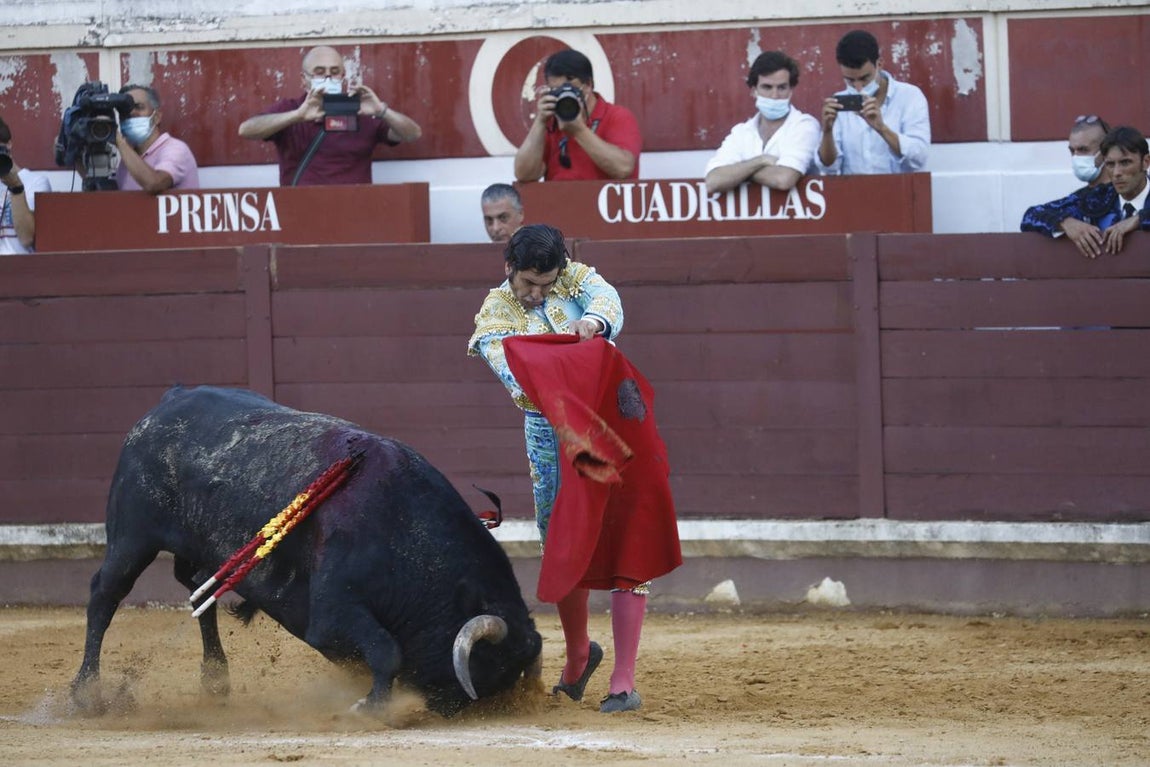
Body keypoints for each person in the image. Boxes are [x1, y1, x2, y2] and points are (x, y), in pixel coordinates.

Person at [468, 224, 680, 714]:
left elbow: (607, 299)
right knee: (563, 539)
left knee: (630, 531)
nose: (538, 293)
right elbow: (522, 375)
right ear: (509, 270)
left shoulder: (577, 280)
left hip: (612, 419)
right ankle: (579, 656)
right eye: (528, 285)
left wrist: (597, 326)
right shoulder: (495, 314)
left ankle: (624, 679)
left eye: (547, 283)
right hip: (551, 433)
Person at [237, 45, 422, 186]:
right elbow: (247, 130)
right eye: (319, 72)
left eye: (334, 72)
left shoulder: (360, 111)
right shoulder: (291, 107)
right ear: (304, 80)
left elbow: (411, 134)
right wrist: (296, 116)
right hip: (300, 213)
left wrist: (381, 110)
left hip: (354, 214)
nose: (327, 78)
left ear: (342, 77)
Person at [514, 49, 642, 182]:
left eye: (570, 89)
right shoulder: (551, 122)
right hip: (560, 200)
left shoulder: (617, 116)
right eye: (556, 91)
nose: (564, 95)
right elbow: (523, 174)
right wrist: (540, 122)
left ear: (588, 85)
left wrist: (579, 131)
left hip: (605, 201)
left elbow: (623, 168)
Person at [1021, 125, 1150, 257]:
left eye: (1125, 163)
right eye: (1110, 164)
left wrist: (1139, 219)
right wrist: (1066, 222)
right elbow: (1031, 216)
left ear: (1146, 162)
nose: (1117, 173)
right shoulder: (1099, 198)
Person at [816, 29, 931, 175]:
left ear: (880, 64)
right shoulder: (838, 102)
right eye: (850, 80)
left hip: (901, 192)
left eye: (864, 78)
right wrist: (827, 132)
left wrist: (881, 128)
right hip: (853, 193)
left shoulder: (909, 96)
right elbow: (828, 167)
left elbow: (918, 157)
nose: (858, 87)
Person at [704, 51, 820, 194]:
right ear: (754, 91)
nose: (774, 95)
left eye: (782, 87)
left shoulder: (804, 125)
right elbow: (713, 181)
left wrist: (739, 173)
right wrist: (760, 161)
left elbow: (783, 179)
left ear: (791, 90)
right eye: (767, 87)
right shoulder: (741, 132)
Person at [114, 84, 200, 193]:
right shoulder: (129, 157)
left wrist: (119, 142)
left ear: (157, 117)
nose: (131, 113)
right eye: (125, 110)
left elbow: (154, 183)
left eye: (139, 107)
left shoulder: (175, 149)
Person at [0, 116, 51, 255]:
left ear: (9, 144)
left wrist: (16, 187)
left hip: (20, 270)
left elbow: (26, 238)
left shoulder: (36, 182)